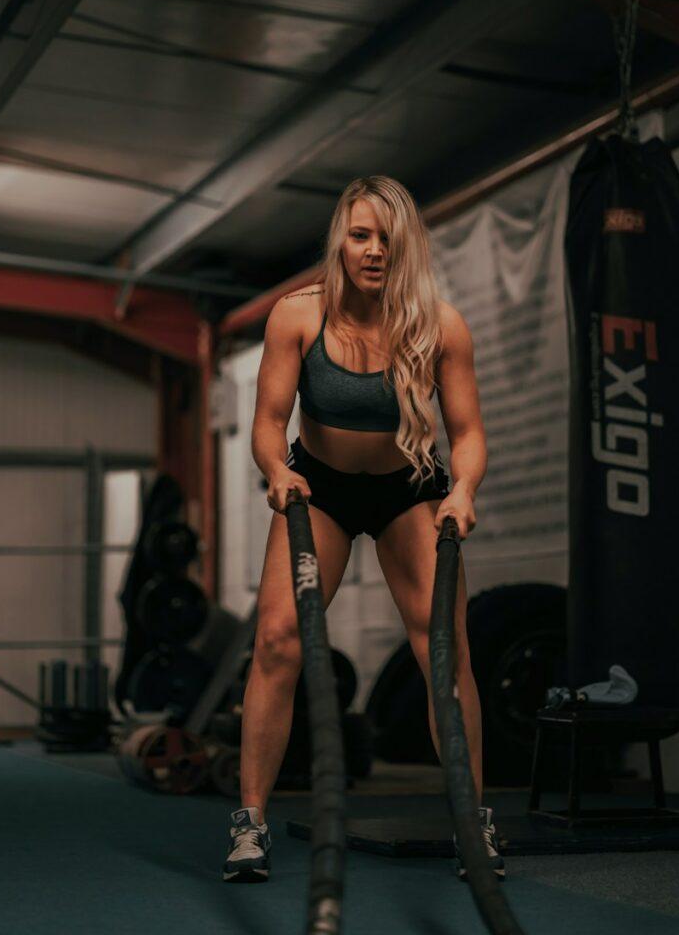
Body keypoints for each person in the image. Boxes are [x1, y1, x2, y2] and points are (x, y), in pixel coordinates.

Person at [222, 176, 504, 883]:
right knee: (278, 642)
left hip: (410, 489)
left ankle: (473, 820)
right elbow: (265, 423)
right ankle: (249, 822)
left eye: (387, 237)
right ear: (340, 241)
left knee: (443, 652)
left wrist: (463, 488)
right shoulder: (296, 316)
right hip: (318, 487)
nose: (374, 250)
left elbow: (466, 433)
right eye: (360, 235)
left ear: (404, 245)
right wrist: (275, 473)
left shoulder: (439, 325)